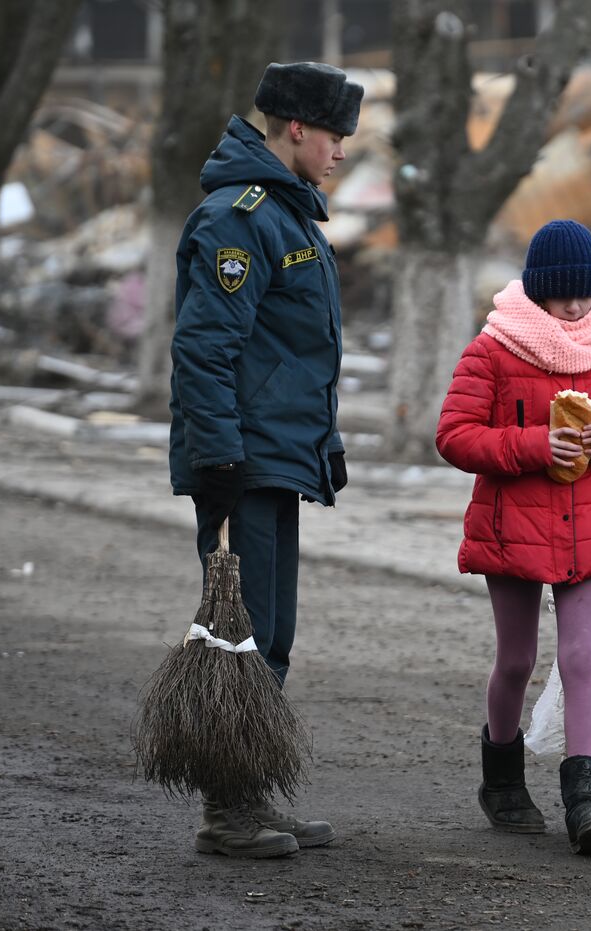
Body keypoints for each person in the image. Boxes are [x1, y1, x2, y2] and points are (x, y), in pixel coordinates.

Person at [168, 61, 363, 858]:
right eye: (336, 136)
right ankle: (228, 811)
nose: (341, 152)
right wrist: (218, 457)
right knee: (239, 634)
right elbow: (205, 348)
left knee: (270, 631)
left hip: (276, 455)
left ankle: (246, 791)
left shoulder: (285, 215)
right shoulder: (239, 218)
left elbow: (294, 351)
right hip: (241, 461)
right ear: (295, 129)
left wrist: (326, 445)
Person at [435, 219, 591, 855]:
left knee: (582, 658)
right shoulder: (494, 348)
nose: (578, 307)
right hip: (512, 528)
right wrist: (533, 445)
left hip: (585, 528)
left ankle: (586, 799)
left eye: (587, 294)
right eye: (565, 296)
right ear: (537, 290)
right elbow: (454, 434)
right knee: (518, 660)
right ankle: (501, 780)